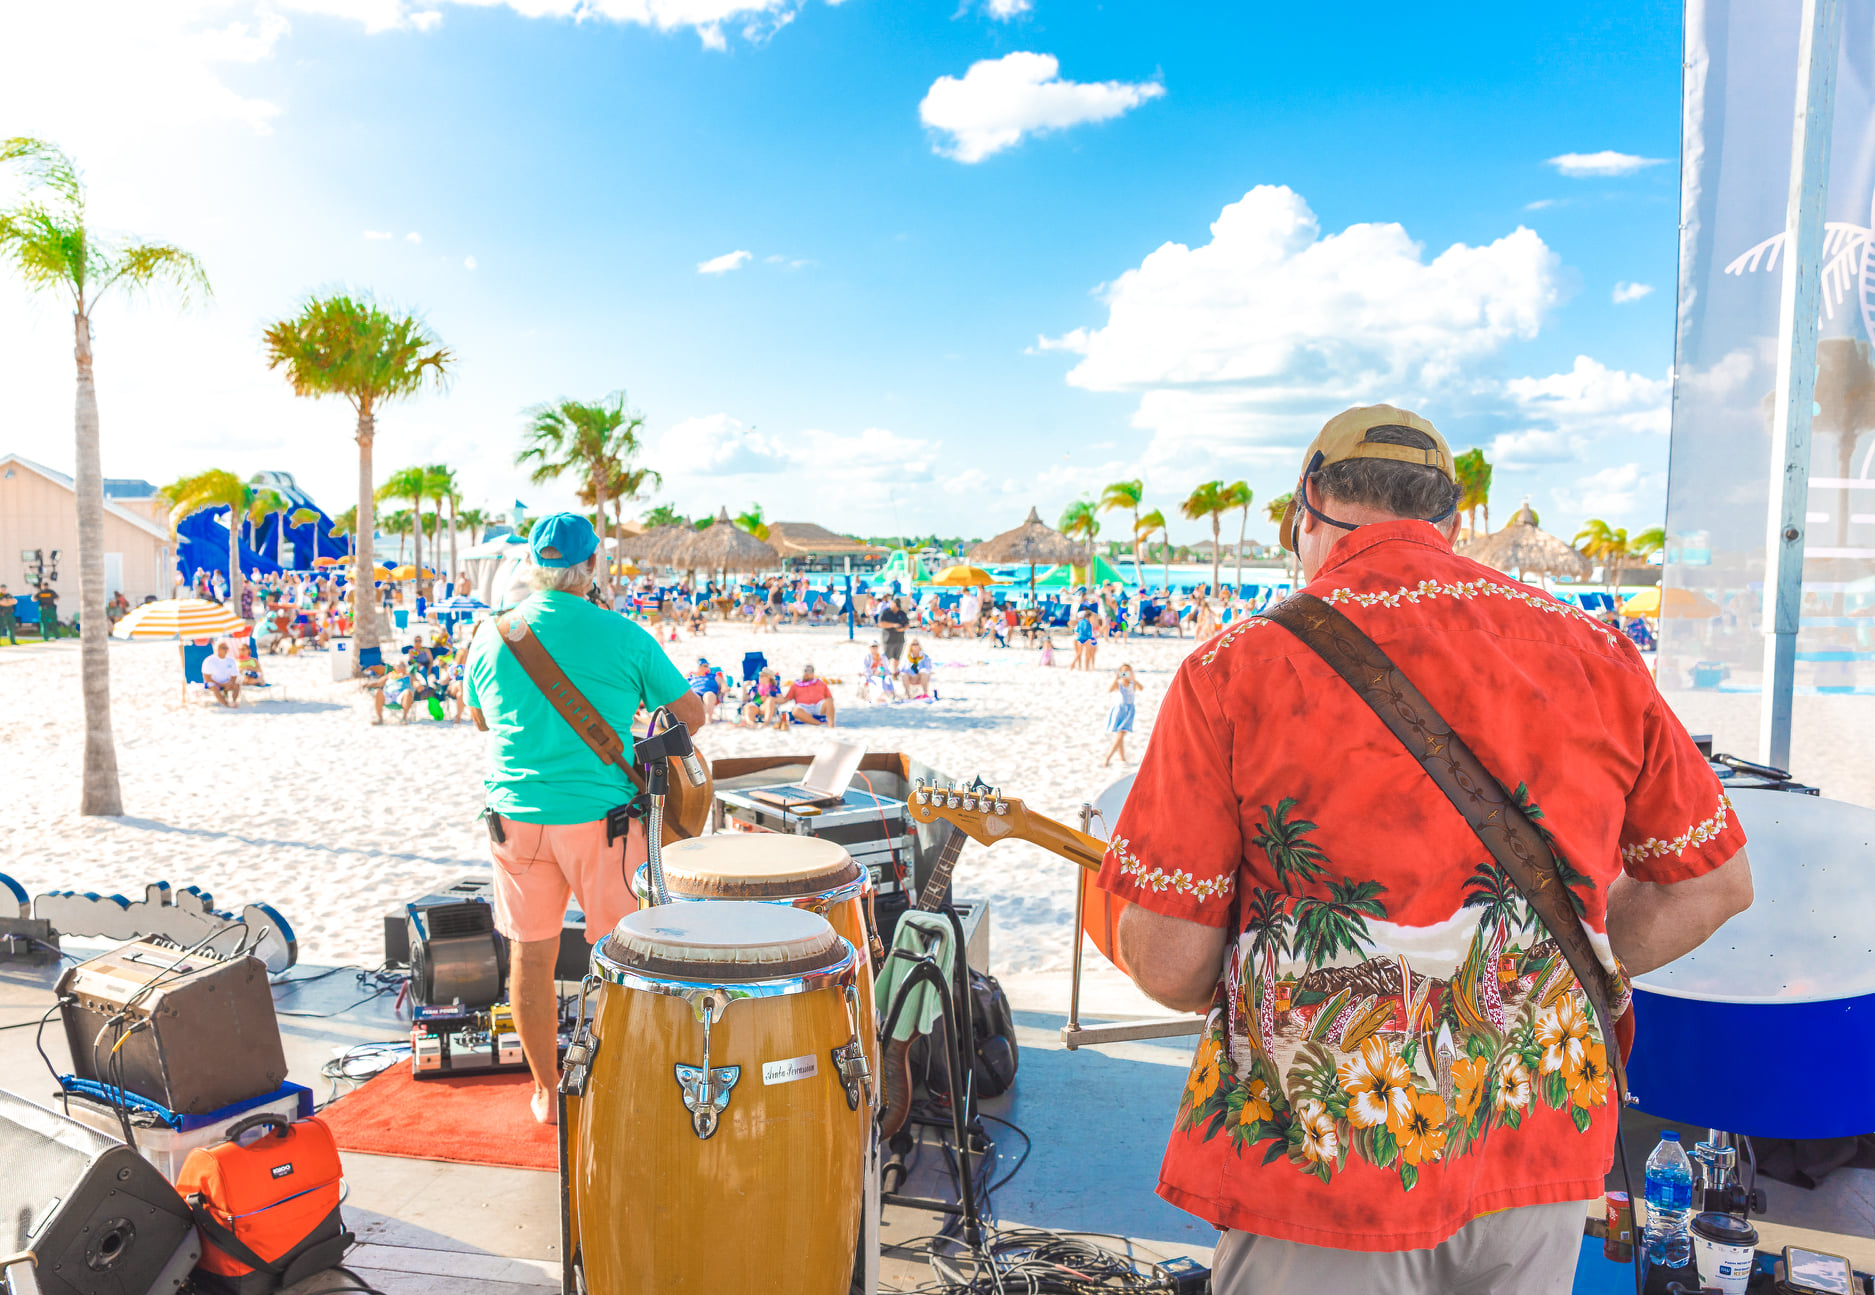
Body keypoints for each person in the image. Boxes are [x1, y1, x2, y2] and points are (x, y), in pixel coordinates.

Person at [1095, 406, 1755, 1294]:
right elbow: (1711, 884)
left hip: (1328, 1162)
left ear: (1307, 505)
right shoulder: (1598, 651)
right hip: (1536, 1144)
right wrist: (1529, 976)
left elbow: (1171, 963)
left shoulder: (1233, 669)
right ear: (1451, 521)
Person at [465, 513, 702, 1127]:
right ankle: (622, 1078)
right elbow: (691, 716)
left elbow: (482, 722)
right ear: (592, 566)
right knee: (623, 955)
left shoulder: (493, 635)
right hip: (604, 821)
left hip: (515, 819)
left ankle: (546, 1092)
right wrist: (642, 743)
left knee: (530, 957)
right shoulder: (624, 635)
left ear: (532, 566)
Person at [776, 662, 837, 728]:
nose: (807, 673)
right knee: (795, 711)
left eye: (810, 672)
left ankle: (831, 725)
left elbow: (829, 697)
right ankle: (817, 723)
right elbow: (786, 699)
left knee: (829, 702)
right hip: (803, 707)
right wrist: (775, 699)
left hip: (818, 706)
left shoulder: (820, 683)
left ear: (813, 674)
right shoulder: (796, 685)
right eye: (806, 671)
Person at [1103, 663, 1137, 766]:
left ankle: (1122, 758)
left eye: (1128, 671)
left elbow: (1140, 688)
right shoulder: (1119, 684)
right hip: (1119, 710)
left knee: (1121, 735)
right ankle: (1108, 757)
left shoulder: (1132, 684)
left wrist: (1133, 678)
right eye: (1124, 671)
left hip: (1129, 711)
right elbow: (1110, 689)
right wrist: (1116, 678)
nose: (1126, 673)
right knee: (1120, 736)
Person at [201, 640, 242, 707]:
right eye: (223, 648)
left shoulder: (231, 660)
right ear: (217, 649)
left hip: (226, 682)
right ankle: (226, 704)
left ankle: (233, 702)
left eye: (227, 648)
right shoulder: (209, 660)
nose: (226, 650)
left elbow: (234, 675)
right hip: (213, 682)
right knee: (214, 687)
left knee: (236, 685)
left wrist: (230, 683)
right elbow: (207, 678)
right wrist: (222, 684)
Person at [686, 657, 725, 724]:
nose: (707, 667)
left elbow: (723, 684)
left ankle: (708, 719)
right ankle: (696, 719)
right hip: (695, 693)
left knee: (709, 696)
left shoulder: (713, 676)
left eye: (708, 666)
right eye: (705, 666)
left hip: (710, 693)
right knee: (695, 697)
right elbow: (682, 685)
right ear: (698, 667)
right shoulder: (691, 676)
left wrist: (724, 689)